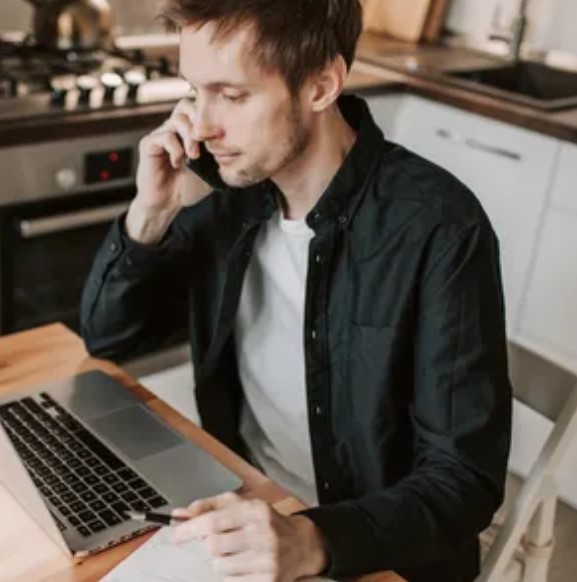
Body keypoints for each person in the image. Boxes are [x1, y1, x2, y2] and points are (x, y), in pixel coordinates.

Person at [80, 1, 512, 581]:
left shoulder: (439, 227)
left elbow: (463, 481)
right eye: (194, 91)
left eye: (232, 96)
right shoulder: (225, 193)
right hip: (245, 508)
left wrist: (310, 540)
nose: (202, 125)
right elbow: (108, 337)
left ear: (321, 85)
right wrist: (150, 213)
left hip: (377, 552)